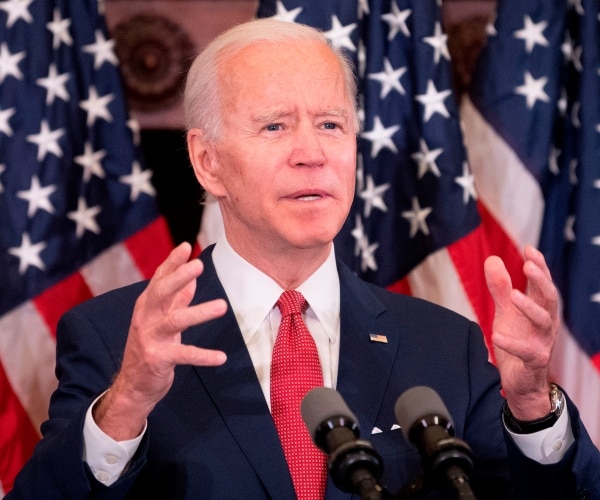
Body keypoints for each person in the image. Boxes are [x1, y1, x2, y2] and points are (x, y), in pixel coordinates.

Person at [8, 18, 600, 500]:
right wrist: (128, 403)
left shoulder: (448, 347)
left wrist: (529, 408)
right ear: (207, 161)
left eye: (331, 124)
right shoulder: (116, 340)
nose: (311, 153)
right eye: (274, 126)